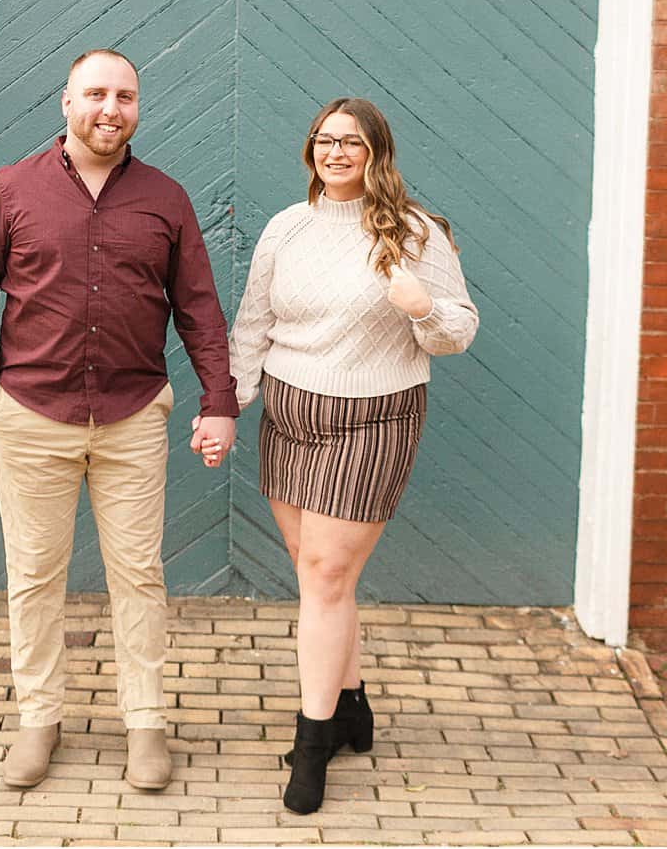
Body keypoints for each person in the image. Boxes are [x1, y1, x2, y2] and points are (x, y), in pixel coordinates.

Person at [0, 49, 239, 792]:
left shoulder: (165, 199)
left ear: (137, 108)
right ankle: (38, 720)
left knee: (138, 576)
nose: (111, 108)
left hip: (133, 415)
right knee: (35, 575)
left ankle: (145, 724)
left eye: (126, 96)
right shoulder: (11, 190)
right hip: (30, 416)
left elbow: (198, 309)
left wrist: (219, 400)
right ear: (66, 102)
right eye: (97, 94)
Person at [198, 97, 479, 814]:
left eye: (352, 142)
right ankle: (352, 706)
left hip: (372, 421)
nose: (336, 152)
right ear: (310, 150)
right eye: (325, 140)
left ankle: (314, 740)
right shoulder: (287, 228)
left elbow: (458, 332)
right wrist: (227, 406)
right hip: (291, 416)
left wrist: (420, 306)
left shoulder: (414, 232)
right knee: (321, 579)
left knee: (324, 576)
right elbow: (254, 325)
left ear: (377, 152)